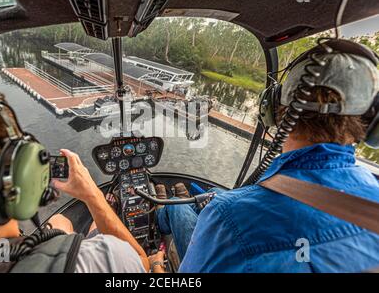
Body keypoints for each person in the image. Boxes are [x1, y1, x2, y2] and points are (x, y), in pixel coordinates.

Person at [155, 43, 379, 272]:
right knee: (218, 198)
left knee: (182, 208)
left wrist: (155, 269)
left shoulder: (227, 214)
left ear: (271, 107)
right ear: (372, 121)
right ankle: (176, 200)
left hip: (228, 220)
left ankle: (163, 210)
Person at [0, 63, 151, 273]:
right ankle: (109, 212)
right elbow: (142, 262)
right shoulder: (101, 260)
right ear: (19, 171)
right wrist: (93, 195)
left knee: (59, 222)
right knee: (81, 223)